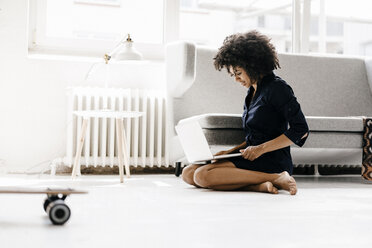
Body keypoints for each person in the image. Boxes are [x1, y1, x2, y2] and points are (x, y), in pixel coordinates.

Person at [181, 30, 309, 195]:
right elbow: (254, 137)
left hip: (271, 160)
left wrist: (260, 149)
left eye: (238, 73)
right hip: (252, 156)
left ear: (253, 66)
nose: (236, 79)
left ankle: (276, 177)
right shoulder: (252, 92)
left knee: (202, 176)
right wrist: (229, 152)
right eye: (233, 74)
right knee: (189, 173)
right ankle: (257, 185)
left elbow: (301, 130)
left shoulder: (278, 88)